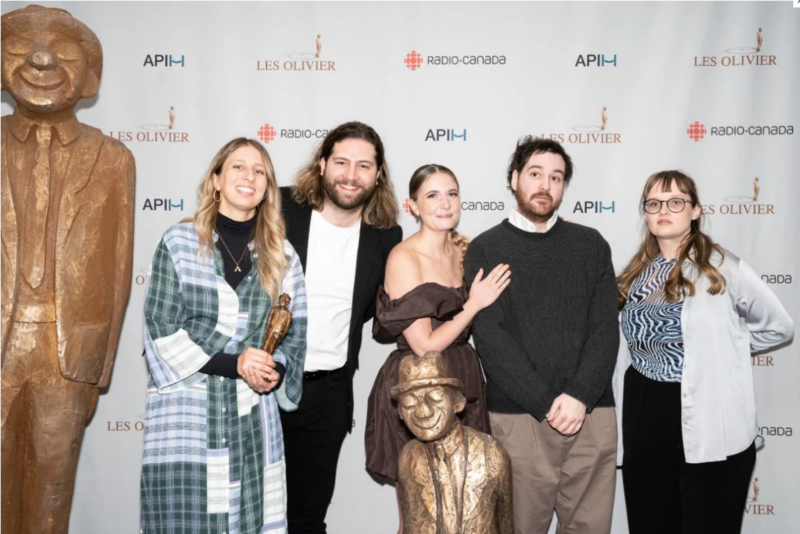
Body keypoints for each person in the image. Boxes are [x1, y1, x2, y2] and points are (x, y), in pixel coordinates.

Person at [1, 6, 135, 532]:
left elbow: (120, 268)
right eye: (21, 45)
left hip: (68, 351)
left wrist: (98, 368)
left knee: (51, 494)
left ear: (89, 75)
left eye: (62, 48)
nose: (39, 57)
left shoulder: (113, 158)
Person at [140, 138, 307, 533]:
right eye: (238, 167)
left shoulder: (282, 256)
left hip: (252, 413)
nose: (249, 176)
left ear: (267, 189)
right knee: (184, 521)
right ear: (215, 179)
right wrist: (236, 363)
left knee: (250, 520)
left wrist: (275, 371)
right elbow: (159, 326)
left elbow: (295, 334)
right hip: (187, 413)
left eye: (259, 171)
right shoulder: (178, 243)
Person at [615, 170, 793, 534]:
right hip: (644, 413)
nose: (664, 209)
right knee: (651, 522)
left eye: (676, 201)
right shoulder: (634, 274)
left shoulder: (723, 267)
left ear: (695, 211)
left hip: (710, 416)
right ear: (646, 214)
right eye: (654, 203)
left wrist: (723, 350)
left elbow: (780, 325)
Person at [464, 137, 619, 534]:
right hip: (519, 416)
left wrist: (580, 394)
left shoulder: (591, 245)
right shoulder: (485, 248)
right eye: (535, 174)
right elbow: (491, 338)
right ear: (515, 178)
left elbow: (604, 328)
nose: (545, 186)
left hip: (592, 412)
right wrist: (546, 402)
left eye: (556, 177)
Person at [366, 164, 509, 530]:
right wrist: (474, 304)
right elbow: (424, 344)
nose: (445, 203)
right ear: (411, 205)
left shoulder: (464, 252)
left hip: (462, 377)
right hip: (422, 387)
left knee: (465, 506)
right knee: (420, 514)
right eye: (432, 195)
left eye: (452, 193)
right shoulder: (404, 257)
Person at [280, 121, 402, 533]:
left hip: (328, 394)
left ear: (378, 175)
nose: (351, 175)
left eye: (364, 166)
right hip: (262, 382)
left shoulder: (386, 237)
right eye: (343, 162)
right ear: (322, 164)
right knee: (248, 505)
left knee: (308, 516)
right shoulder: (279, 210)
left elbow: (367, 308)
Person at [394, 351, 513, 534]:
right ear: (400, 413)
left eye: (435, 397)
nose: (423, 411)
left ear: (458, 402)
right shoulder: (408, 457)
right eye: (409, 402)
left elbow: (506, 523)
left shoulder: (490, 453)